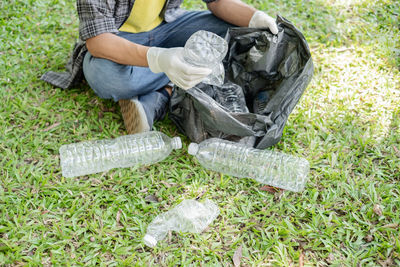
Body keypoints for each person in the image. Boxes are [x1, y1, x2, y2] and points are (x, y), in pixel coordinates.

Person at [41, 0, 278, 134]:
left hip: (168, 29)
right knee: (107, 76)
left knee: (235, 32)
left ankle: (162, 93)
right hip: (118, 40)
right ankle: (172, 85)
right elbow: (99, 41)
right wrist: (159, 59)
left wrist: (255, 18)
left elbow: (217, 2)